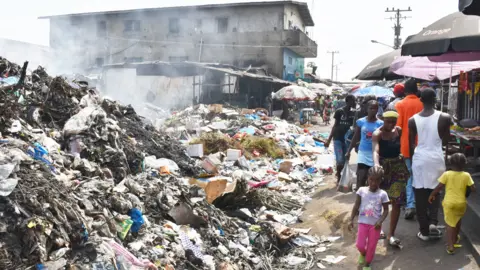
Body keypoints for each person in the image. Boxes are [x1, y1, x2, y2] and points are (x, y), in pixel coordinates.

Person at [408, 88, 452, 241]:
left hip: (420, 158)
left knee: (420, 192)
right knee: (435, 190)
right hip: (436, 158)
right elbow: (446, 140)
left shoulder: (412, 120)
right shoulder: (445, 117)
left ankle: (424, 231)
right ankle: (433, 221)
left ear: (421, 100)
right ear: (435, 100)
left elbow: (411, 145)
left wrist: (414, 162)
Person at [372, 110, 409, 247]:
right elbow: (375, 150)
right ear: (383, 120)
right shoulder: (378, 134)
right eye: (388, 121)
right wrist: (376, 164)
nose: (391, 124)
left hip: (398, 168)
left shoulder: (398, 130)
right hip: (383, 168)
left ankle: (391, 233)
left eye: (393, 121)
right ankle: (379, 226)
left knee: (397, 201)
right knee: (379, 199)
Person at [428, 153, 476, 254]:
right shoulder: (466, 175)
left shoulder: (447, 174)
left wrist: (432, 195)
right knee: (458, 220)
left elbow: (439, 187)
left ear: (450, 164)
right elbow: (473, 188)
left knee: (450, 225)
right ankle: (455, 239)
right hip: (461, 203)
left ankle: (450, 246)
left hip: (449, 203)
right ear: (464, 164)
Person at [349, 166, 390, 270]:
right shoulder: (361, 190)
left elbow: (386, 210)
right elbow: (356, 206)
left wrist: (380, 221)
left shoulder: (383, 194)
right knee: (360, 245)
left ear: (381, 180)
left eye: (377, 180)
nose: (373, 183)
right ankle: (363, 253)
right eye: (371, 179)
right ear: (368, 178)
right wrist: (351, 219)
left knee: (371, 246)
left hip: (375, 226)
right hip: (362, 222)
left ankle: (367, 264)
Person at [395, 79, 423, 220]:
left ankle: (411, 205)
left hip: (406, 147)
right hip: (422, 146)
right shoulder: (423, 104)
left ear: (405, 91)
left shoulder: (400, 104)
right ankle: (421, 205)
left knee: (409, 176)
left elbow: (398, 128)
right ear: (416, 90)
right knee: (420, 175)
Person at [346, 100, 384, 189]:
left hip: (374, 154)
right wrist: (349, 151)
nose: (373, 110)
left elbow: (382, 139)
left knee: (374, 178)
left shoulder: (381, 123)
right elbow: (355, 137)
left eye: (375, 108)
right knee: (361, 177)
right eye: (371, 108)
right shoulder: (361, 122)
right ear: (367, 109)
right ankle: (360, 198)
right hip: (363, 152)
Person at [325, 95, 357, 183]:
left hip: (347, 140)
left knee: (345, 158)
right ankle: (339, 177)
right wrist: (329, 140)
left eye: (355, 101)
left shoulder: (354, 113)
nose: (354, 103)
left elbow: (355, 128)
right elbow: (335, 126)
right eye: (353, 101)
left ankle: (340, 174)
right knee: (340, 159)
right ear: (348, 101)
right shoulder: (339, 111)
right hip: (337, 138)